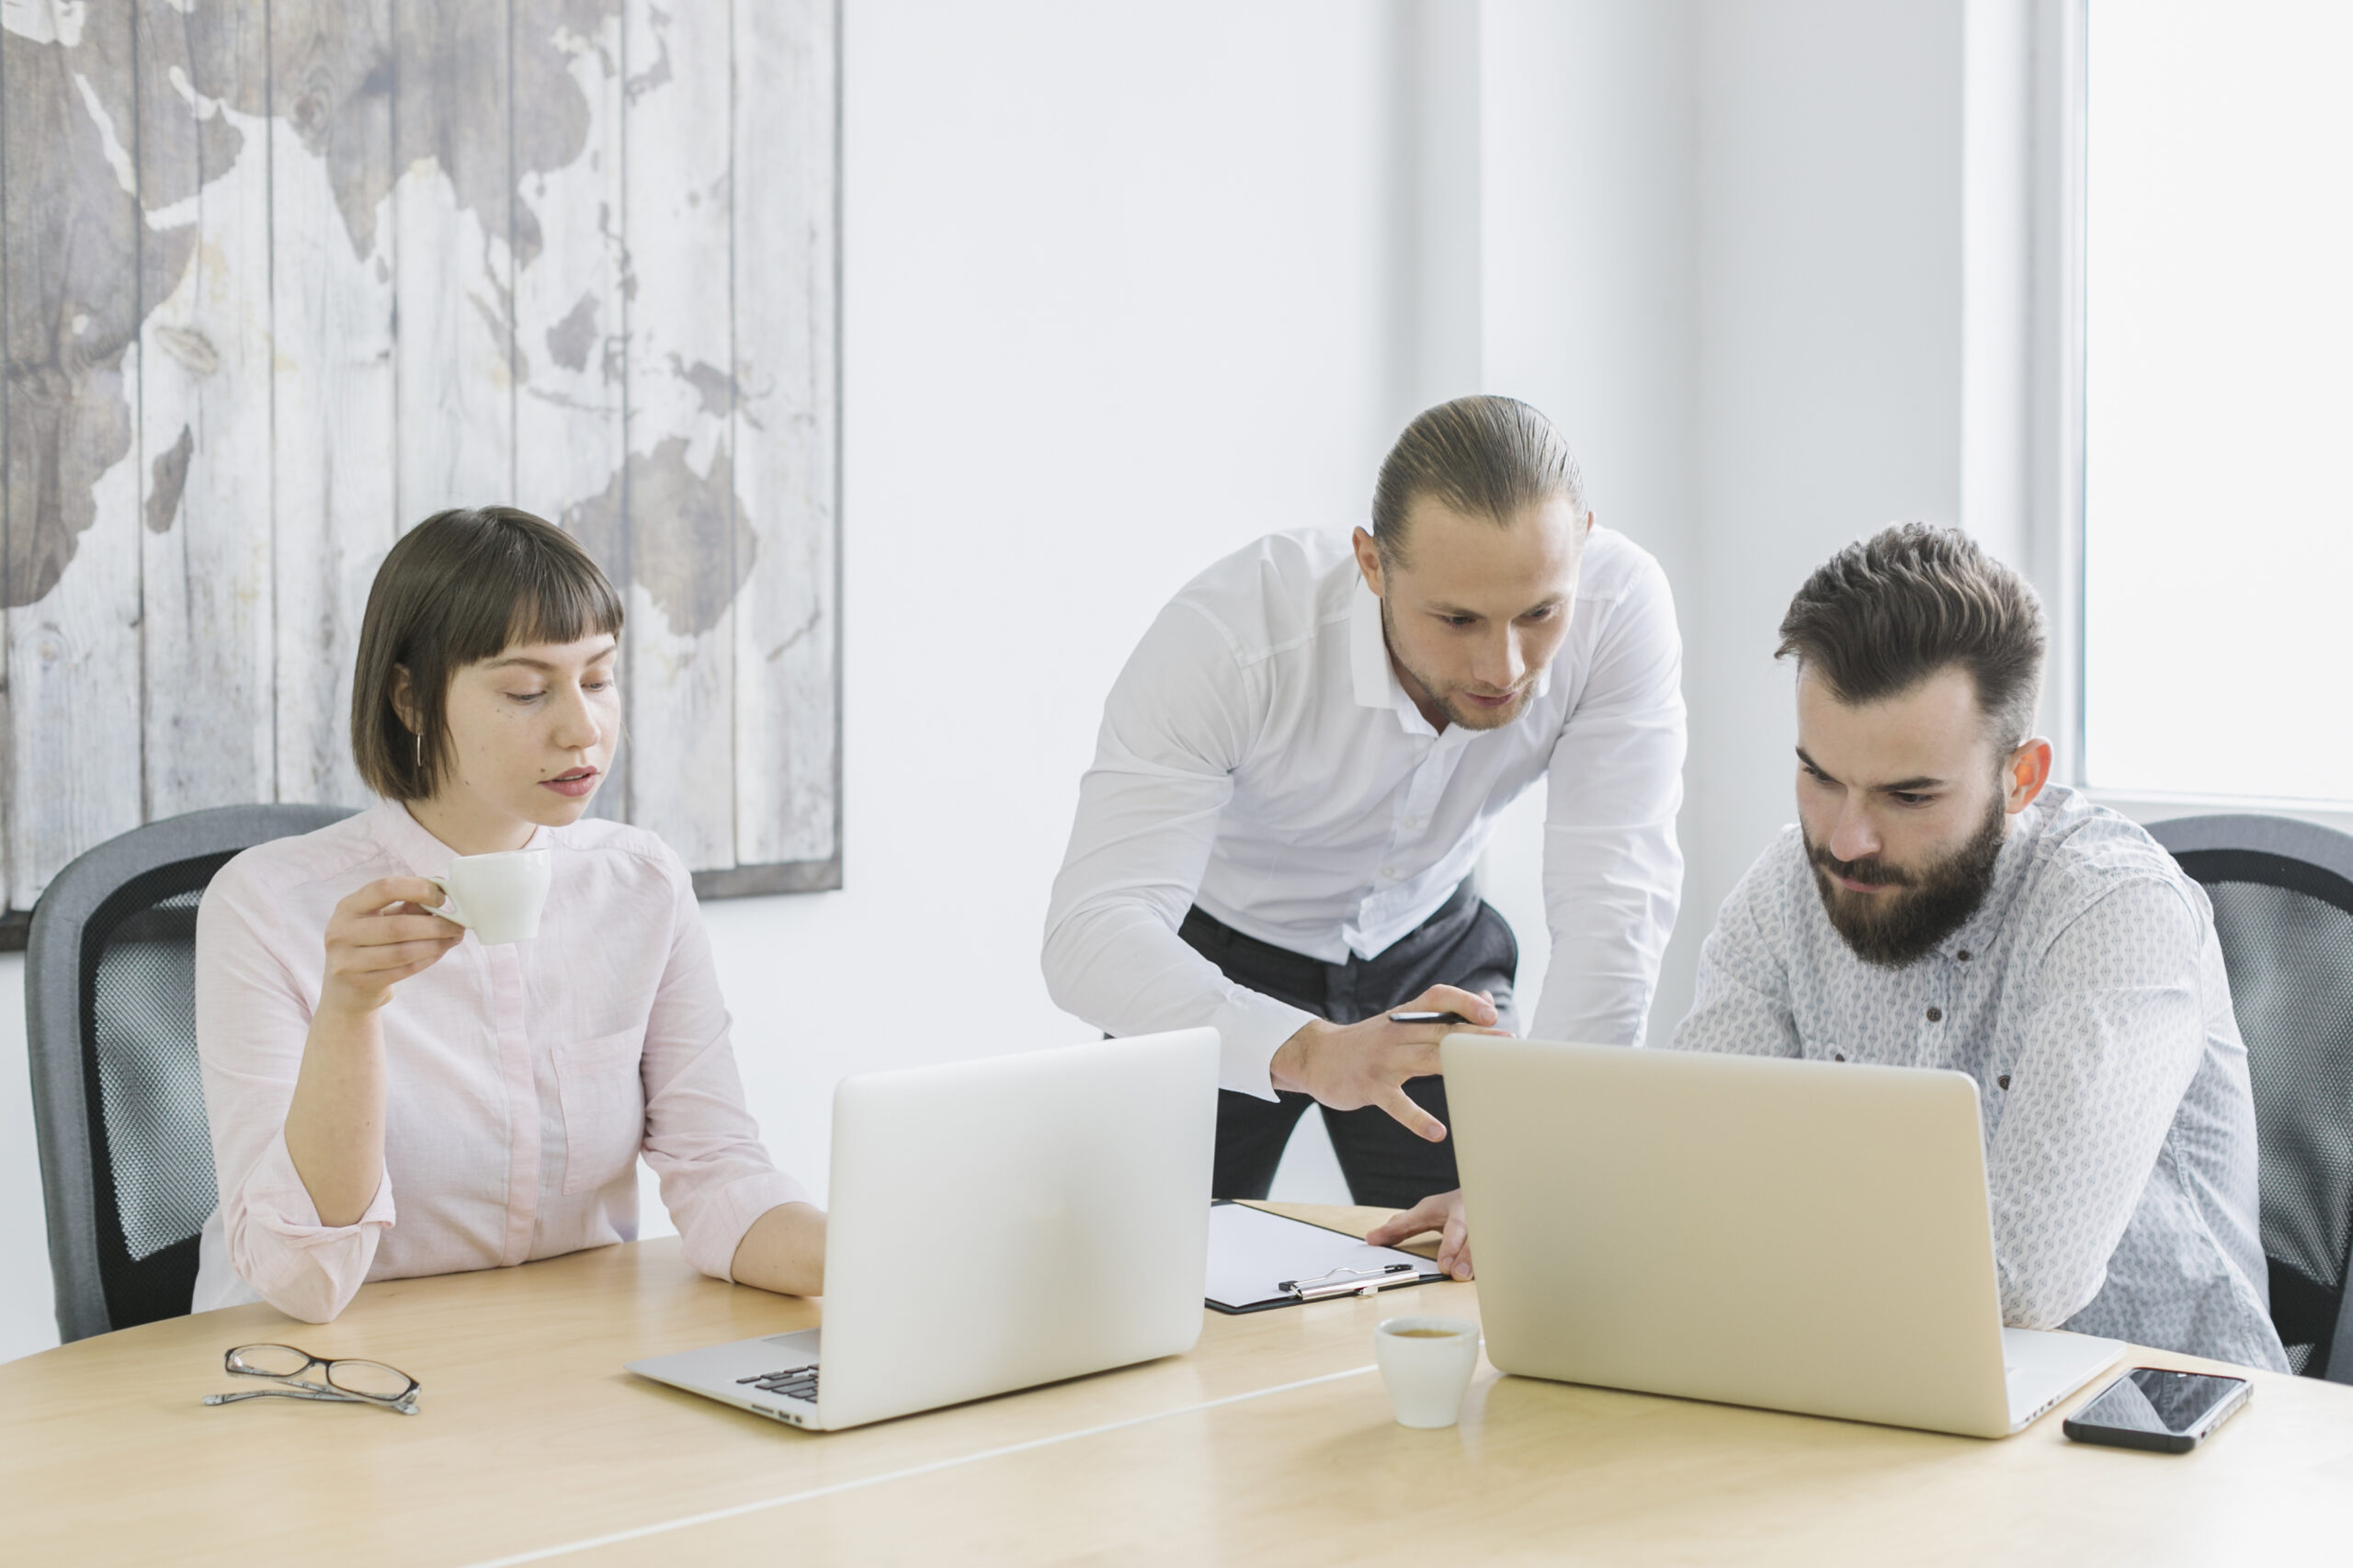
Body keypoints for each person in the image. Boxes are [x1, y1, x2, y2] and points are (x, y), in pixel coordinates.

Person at [1376, 522, 2289, 1370]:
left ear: (2020, 777)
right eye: (1819, 775)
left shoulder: (2115, 911)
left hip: (2151, 1425)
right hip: (1878, 1398)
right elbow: (1690, 1161)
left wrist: (1720, 1227)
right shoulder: (1787, 887)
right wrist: (1554, 1218)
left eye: (1907, 795)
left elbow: (2019, 1280)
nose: (1846, 838)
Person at [1043, 396, 1686, 1212]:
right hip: (1217, 961)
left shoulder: (1622, 610)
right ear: (1373, 564)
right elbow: (1090, 935)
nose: (1505, 665)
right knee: (1135, 1285)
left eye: (1540, 613)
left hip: (1436, 957)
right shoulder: (1232, 641)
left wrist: (1543, 1165)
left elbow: (1615, 905)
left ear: (1583, 546)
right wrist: (1310, 1052)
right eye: (1457, 619)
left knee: (1518, 1258)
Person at [193, 507, 824, 1324]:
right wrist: (349, 1008)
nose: (582, 728)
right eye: (528, 691)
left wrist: (885, 1257)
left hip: (562, 1361)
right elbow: (304, 1279)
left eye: (598, 679)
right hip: (315, 1370)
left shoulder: (640, 884)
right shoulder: (267, 905)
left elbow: (720, 1181)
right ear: (411, 699)